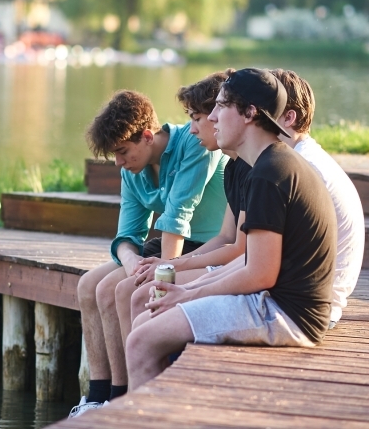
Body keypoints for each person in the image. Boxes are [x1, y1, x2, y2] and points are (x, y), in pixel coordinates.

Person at [126, 68, 337, 391]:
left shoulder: (271, 174)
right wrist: (191, 288)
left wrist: (189, 293)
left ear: (251, 113)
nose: (211, 118)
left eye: (222, 106)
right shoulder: (266, 165)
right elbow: (250, 259)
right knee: (147, 321)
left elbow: (260, 274)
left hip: (284, 315)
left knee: (142, 339)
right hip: (276, 303)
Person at [69, 90, 227, 417]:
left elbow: (178, 215)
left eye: (123, 152)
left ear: (146, 136)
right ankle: (98, 397)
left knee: (127, 290)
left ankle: (127, 397)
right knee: (90, 286)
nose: (119, 163)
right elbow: (127, 234)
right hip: (169, 244)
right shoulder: (132, 170)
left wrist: (158, 273)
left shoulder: (193, 145)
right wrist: (130, 261)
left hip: (207, 245)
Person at [118, 72, 250, 343]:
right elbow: (227, 238)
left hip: (266, 290)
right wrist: (174, 264)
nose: (193, 128)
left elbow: (240, 251)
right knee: (107, 288)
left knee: (138, 296)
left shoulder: (256, 168)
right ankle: (119, 386)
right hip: (220, 256)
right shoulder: (237, 166)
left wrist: (175, 268)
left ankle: (148, 377)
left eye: (197, 118)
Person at [271, 69, 364, 328]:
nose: (251, 116)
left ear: (289, 117)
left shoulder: (302, 170)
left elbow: (268, 264)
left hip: (307, 307)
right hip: (310, 297)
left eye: (260, 109)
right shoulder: (301, 159)